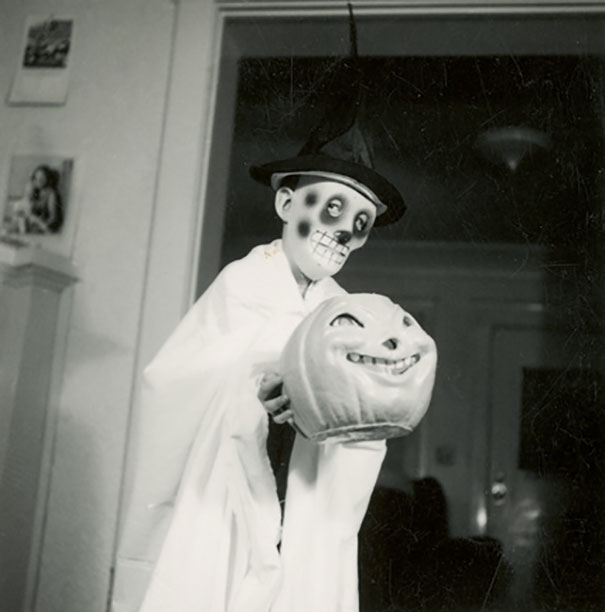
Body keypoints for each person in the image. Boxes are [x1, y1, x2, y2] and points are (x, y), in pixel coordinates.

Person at [7, 165, 63, 235]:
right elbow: (26, 202)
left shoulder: (51, 193)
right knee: (18, 218)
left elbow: (53, 218)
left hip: (44, 225)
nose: (39, 180)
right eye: (37, 177)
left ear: (48, 178)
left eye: (42, 177)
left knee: (25, 220)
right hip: (32, 222)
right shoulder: (35, 190)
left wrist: (40, 226)